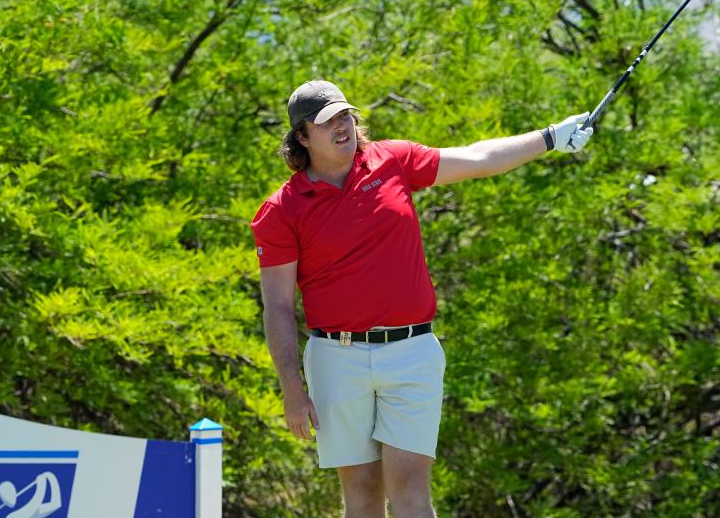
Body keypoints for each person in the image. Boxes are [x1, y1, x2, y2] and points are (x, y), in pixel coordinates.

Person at [251, 80, 592, 518]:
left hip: (412, 352)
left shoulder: (391, 160)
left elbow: (477, 157)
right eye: (327, 122)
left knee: (411, 489)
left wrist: (551, 137)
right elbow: (277, 306)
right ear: (302, 136)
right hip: (336, 359)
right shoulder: (282, 210)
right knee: (361, 492)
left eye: (344, 117)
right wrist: (292, 389)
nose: (342, 128)